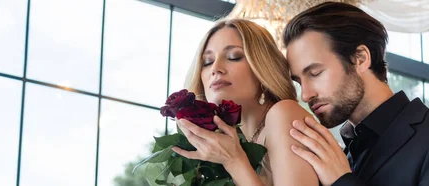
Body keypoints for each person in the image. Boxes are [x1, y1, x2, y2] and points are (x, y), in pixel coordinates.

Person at [283, 2, 429, 186]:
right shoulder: (342, 155)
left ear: (360, 58)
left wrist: (342, 181)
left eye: (315, 73)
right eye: (298, 81)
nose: (305, 95)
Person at [170, 18, 319, 185]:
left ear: (262, 67)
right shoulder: (237, 142)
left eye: (234, 57)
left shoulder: (284, 113)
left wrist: (234, 162)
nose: (215, 68)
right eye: (207, 62)